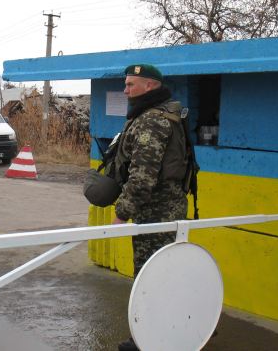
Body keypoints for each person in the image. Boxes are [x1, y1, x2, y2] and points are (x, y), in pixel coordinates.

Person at [112, 64, 188, 351]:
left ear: (150, 86)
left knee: (149, 277)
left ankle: (146, 340)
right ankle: (173, 329)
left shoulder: (151, 121)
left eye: (131, 84)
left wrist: (122, 211)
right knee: (165, 274)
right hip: (166, 209)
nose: (125, 89)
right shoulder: (163, 114)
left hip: (156, 212)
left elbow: (143, 175)